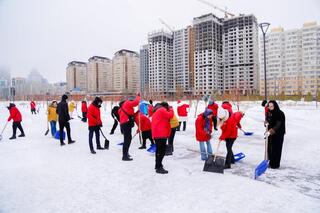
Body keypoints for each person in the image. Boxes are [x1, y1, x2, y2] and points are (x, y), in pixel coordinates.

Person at [151, 102, 174, 174]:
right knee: (161, 151)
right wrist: (171, 109)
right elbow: (170, 115)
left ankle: (158, 165)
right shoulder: (162, 109)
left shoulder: (157, 111)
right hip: (160, 134)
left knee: (159, 151)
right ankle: (158, 167)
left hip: (158, 133)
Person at [118, 94, 140, 161]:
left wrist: (137, 112)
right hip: (126, 124)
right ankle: (124, 156)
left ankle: (126, 153)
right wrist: (138, 96)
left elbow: (131, 115)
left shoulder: (125, 107)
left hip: (126, 124)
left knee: (128, 139)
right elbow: (136, 102)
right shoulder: (127, 103)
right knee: (127, 140)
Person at [265, 100, 286, 169]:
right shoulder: (269, 112)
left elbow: (278, 125)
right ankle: (270, 162)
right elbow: (268, 121)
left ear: (275, 106)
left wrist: (270, 131)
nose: (270, 107)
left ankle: (275, 165)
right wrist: (266, 123)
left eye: (272, 106)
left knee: (276, 149)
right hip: (271, 133)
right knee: (270, 149)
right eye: (269, 106)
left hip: (278, 134)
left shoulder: (280, 113)